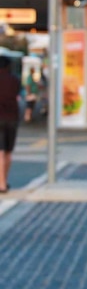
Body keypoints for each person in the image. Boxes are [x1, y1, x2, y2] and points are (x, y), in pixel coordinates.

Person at [0, 56, 21, 193]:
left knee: (0, 152)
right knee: (8, 152)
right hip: (12, 118)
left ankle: (1, 184)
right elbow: (17, 96)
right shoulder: (15, 80)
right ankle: (4, 182)